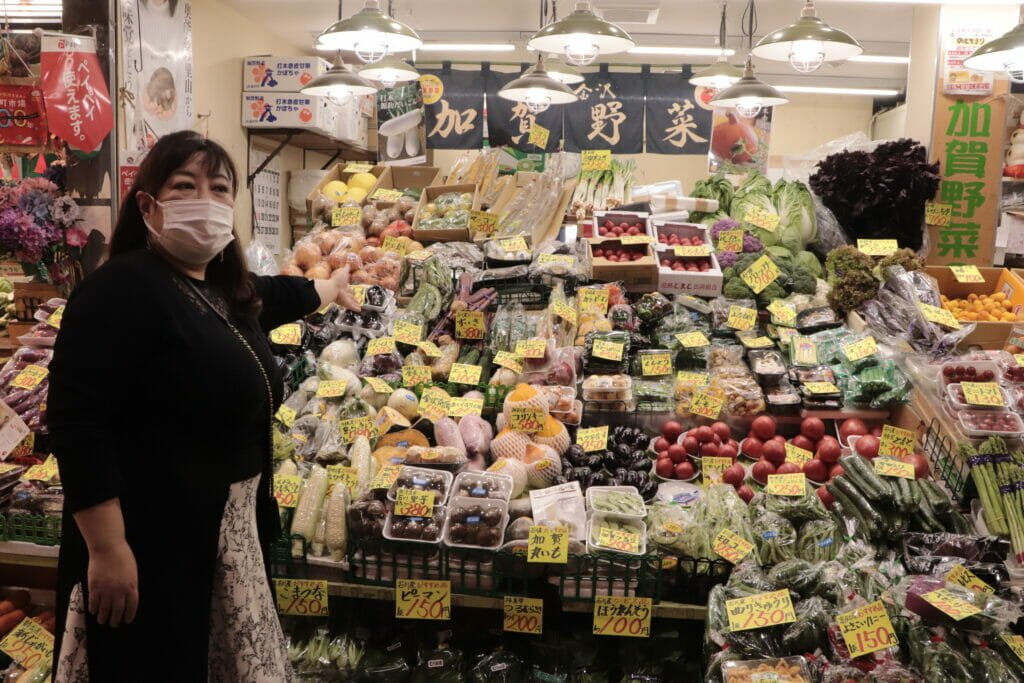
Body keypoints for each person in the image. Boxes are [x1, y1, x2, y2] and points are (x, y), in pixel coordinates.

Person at [48, 130, 360, 682]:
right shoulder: (119, 289)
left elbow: (275, 295)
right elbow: (78, 422)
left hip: (222, 537)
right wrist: (108, 547)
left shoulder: (216, 290)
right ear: (147, 203)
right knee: (158, 662)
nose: (207, 200)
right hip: (151, 542)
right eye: (184, 185)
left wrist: (331, 286)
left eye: (220, 188)